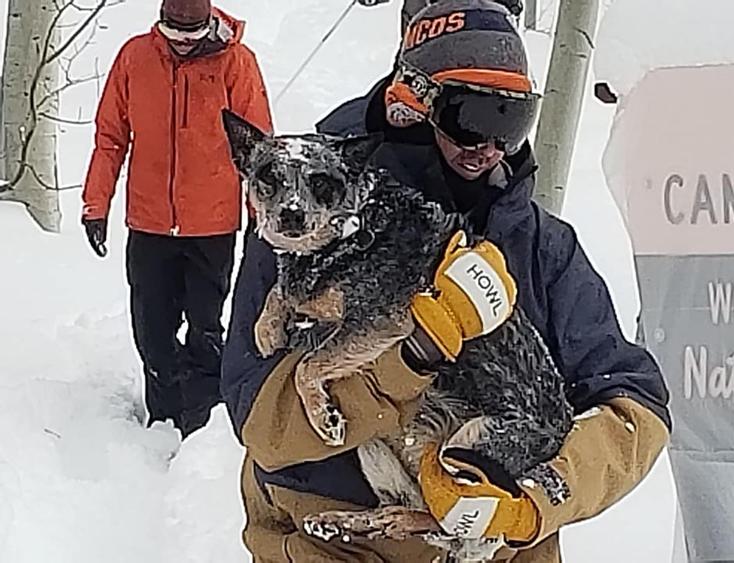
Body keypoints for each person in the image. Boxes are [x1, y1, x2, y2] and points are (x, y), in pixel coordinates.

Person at [221, 1, 671, 561]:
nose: (490, 146)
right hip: (333, 542)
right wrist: (406, 359)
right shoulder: (308, 215)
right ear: (411, 105)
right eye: (470, 117)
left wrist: (538, 498)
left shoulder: (539, 246)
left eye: (511, 121)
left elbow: (635, 405)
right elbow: (261, 425)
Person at [81, 0, 273, 438]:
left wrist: (259, 218)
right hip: (148, 224)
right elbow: (110, 136)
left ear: (209, 23)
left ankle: (201, 426)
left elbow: (258, 149)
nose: (184, 44)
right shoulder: (135, 57)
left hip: (213, 226)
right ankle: (162, 417)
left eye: (193, 35)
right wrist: (97, 204)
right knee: (152, 327)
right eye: (175, 35)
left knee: (206, 327)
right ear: (160, 21)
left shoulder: (237, 62)